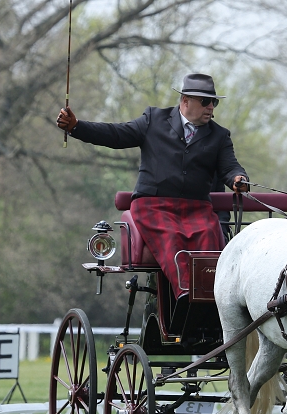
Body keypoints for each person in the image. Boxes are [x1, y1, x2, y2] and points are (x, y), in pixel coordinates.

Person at [56, 73, 248, 305]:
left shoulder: (219, 135)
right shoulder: (153, 119)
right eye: (205, 101)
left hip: (196, 208)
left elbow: (230, 167)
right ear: (185, 101)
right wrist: (76, 127)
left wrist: (239, 178)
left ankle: (211, 298)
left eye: (214, 102)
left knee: (208, 234)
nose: (211, 108)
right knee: (171, 236)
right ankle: (187, 293)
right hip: (153, 206)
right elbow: (116, 134)